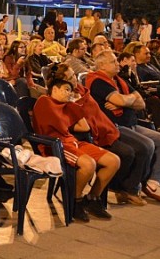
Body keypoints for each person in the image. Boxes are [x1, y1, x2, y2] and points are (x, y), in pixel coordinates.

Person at [79, 54, 160, 205]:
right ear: (102, 66)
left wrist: (123, 101)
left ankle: (153, 182)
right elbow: (124, 99)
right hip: (114, 126)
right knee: (146, 145)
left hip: (133, 123)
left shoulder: (119, 80)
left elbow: (141, 102)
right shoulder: (98, 81)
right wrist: (126, 100)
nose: (118, 64)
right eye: (113, 61)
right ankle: (131, 188)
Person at [33, 66, 120, 222]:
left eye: (70, 90)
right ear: (55, 89)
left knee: (113, 161)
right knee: (89, 165)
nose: (69, 93)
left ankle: (93, 198)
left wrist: (73, 105)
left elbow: (84, 127)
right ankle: (75, 201)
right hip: (56, 146)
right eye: (66, 89)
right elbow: (56, 127)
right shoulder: (44, 102)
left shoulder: (67, 105)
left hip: (73, 142)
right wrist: (69, 106)